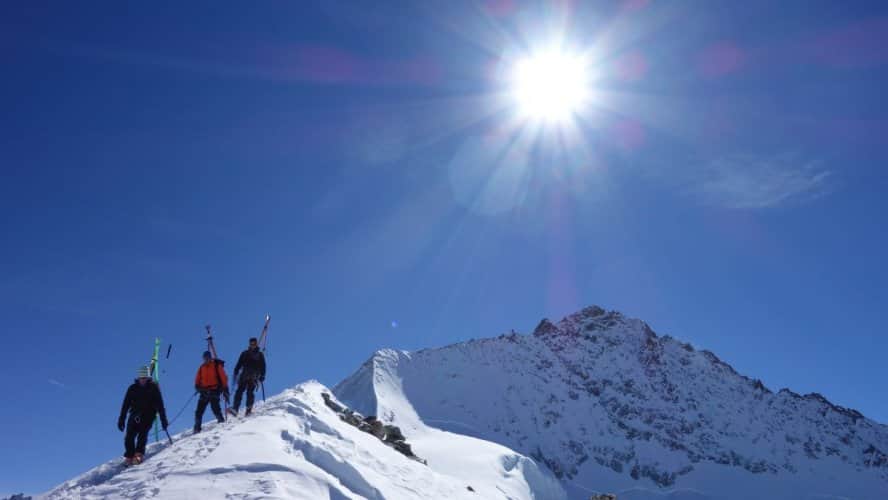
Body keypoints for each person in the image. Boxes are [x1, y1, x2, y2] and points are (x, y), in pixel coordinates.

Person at [118, 365, 168, 465]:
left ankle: (139, 454)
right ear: (138, 378)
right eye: (141, 378)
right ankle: (129, 456)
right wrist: (121, 419)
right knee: (129, 436)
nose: (143, 380)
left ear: (148, 377)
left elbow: (160, 404)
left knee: (142, 434)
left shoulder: (153, 387)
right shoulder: (132, 388)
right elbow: (125, 404)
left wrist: (163, 420)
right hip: (134, 414)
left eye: (145, 378)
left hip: (148, 414)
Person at [194, 351, 229, 433]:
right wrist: (198, 387)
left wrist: (225, 389)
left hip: (215, 390)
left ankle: (221, 422)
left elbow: (223, 378)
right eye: (205, 358)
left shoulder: (216, 366)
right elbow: (197, 380)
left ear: (210, 357)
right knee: (199, 411)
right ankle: (197, 429)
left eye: (208, 357)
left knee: (215, 408)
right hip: (204, 391)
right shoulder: (201, 368)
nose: (206, 359)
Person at [230, 337, 266, 416]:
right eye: (251, 343)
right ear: (249, 344)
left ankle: (248, 409)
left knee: (250, 392)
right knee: (239, 391)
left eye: (254, 343)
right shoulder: (244, 353)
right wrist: (236, 370)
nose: (252, 345)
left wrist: (262, 376)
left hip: (254, 376)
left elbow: (263, 366)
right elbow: (239, 363)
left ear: (256, 344)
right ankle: (235, 408)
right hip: (244, 375)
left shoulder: (260, 354)